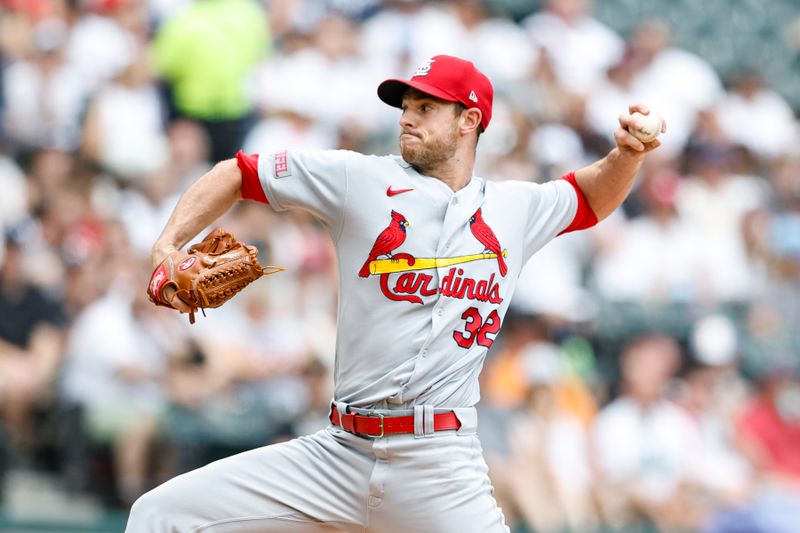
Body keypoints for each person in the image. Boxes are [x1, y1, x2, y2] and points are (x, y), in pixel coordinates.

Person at [127, 54, 665, 532]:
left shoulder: (515, 208)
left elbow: (591, 196)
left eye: (427, 107)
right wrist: (167, 244)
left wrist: (629, 154)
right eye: (406, 104)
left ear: (469, 120)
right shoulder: (357, 179)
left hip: (439, 463)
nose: (407, 116)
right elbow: (237, 172)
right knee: (159, 514)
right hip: (338, 453)